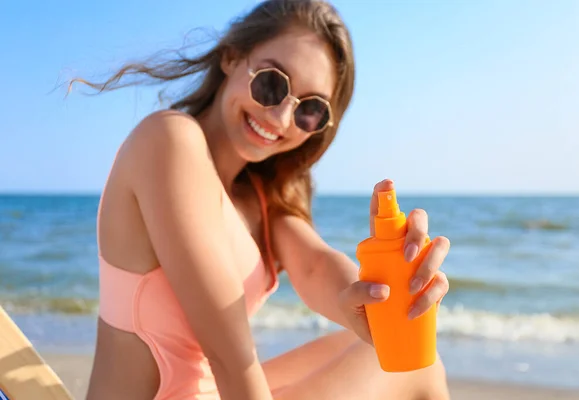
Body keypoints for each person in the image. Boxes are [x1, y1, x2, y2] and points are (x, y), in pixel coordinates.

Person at [75, 0, 451, 399]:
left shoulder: (259, 195)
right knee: (409, 371)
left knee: (400, 356)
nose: (281, 118)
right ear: (232, 57)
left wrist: (378, 296)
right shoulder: (169, 141)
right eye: (273, 84)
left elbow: (314, 265)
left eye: (310, 109)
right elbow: (230, 358)